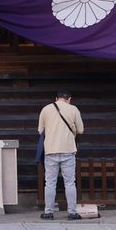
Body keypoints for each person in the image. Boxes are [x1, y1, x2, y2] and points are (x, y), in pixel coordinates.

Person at [38, 89, 84, 220]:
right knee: (70, 182)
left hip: (51, 150)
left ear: (56, 98)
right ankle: (72, 212)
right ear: (69, 99)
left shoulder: (46, 109)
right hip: (68, 149)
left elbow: (40, 130)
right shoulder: (73, 109)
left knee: (50, 183)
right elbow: (80, 130)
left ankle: (48, 212)